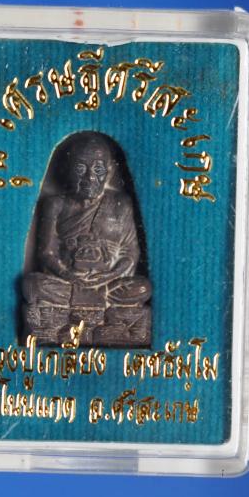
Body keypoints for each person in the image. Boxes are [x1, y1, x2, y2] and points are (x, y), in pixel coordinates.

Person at [22, 131, 151, 346]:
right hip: (67, 281)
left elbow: (130, 253)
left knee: (142, 288)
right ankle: (96, 317)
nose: (90, 178)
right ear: (67, 170)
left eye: (98, 169)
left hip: (108, 284)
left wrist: (108, 275)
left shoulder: (121, 203)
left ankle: (87, 314)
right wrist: (70, 275)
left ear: (109, 172)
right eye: (80, 169)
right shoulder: (56, 204)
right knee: (32, 285)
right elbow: (46, 253)